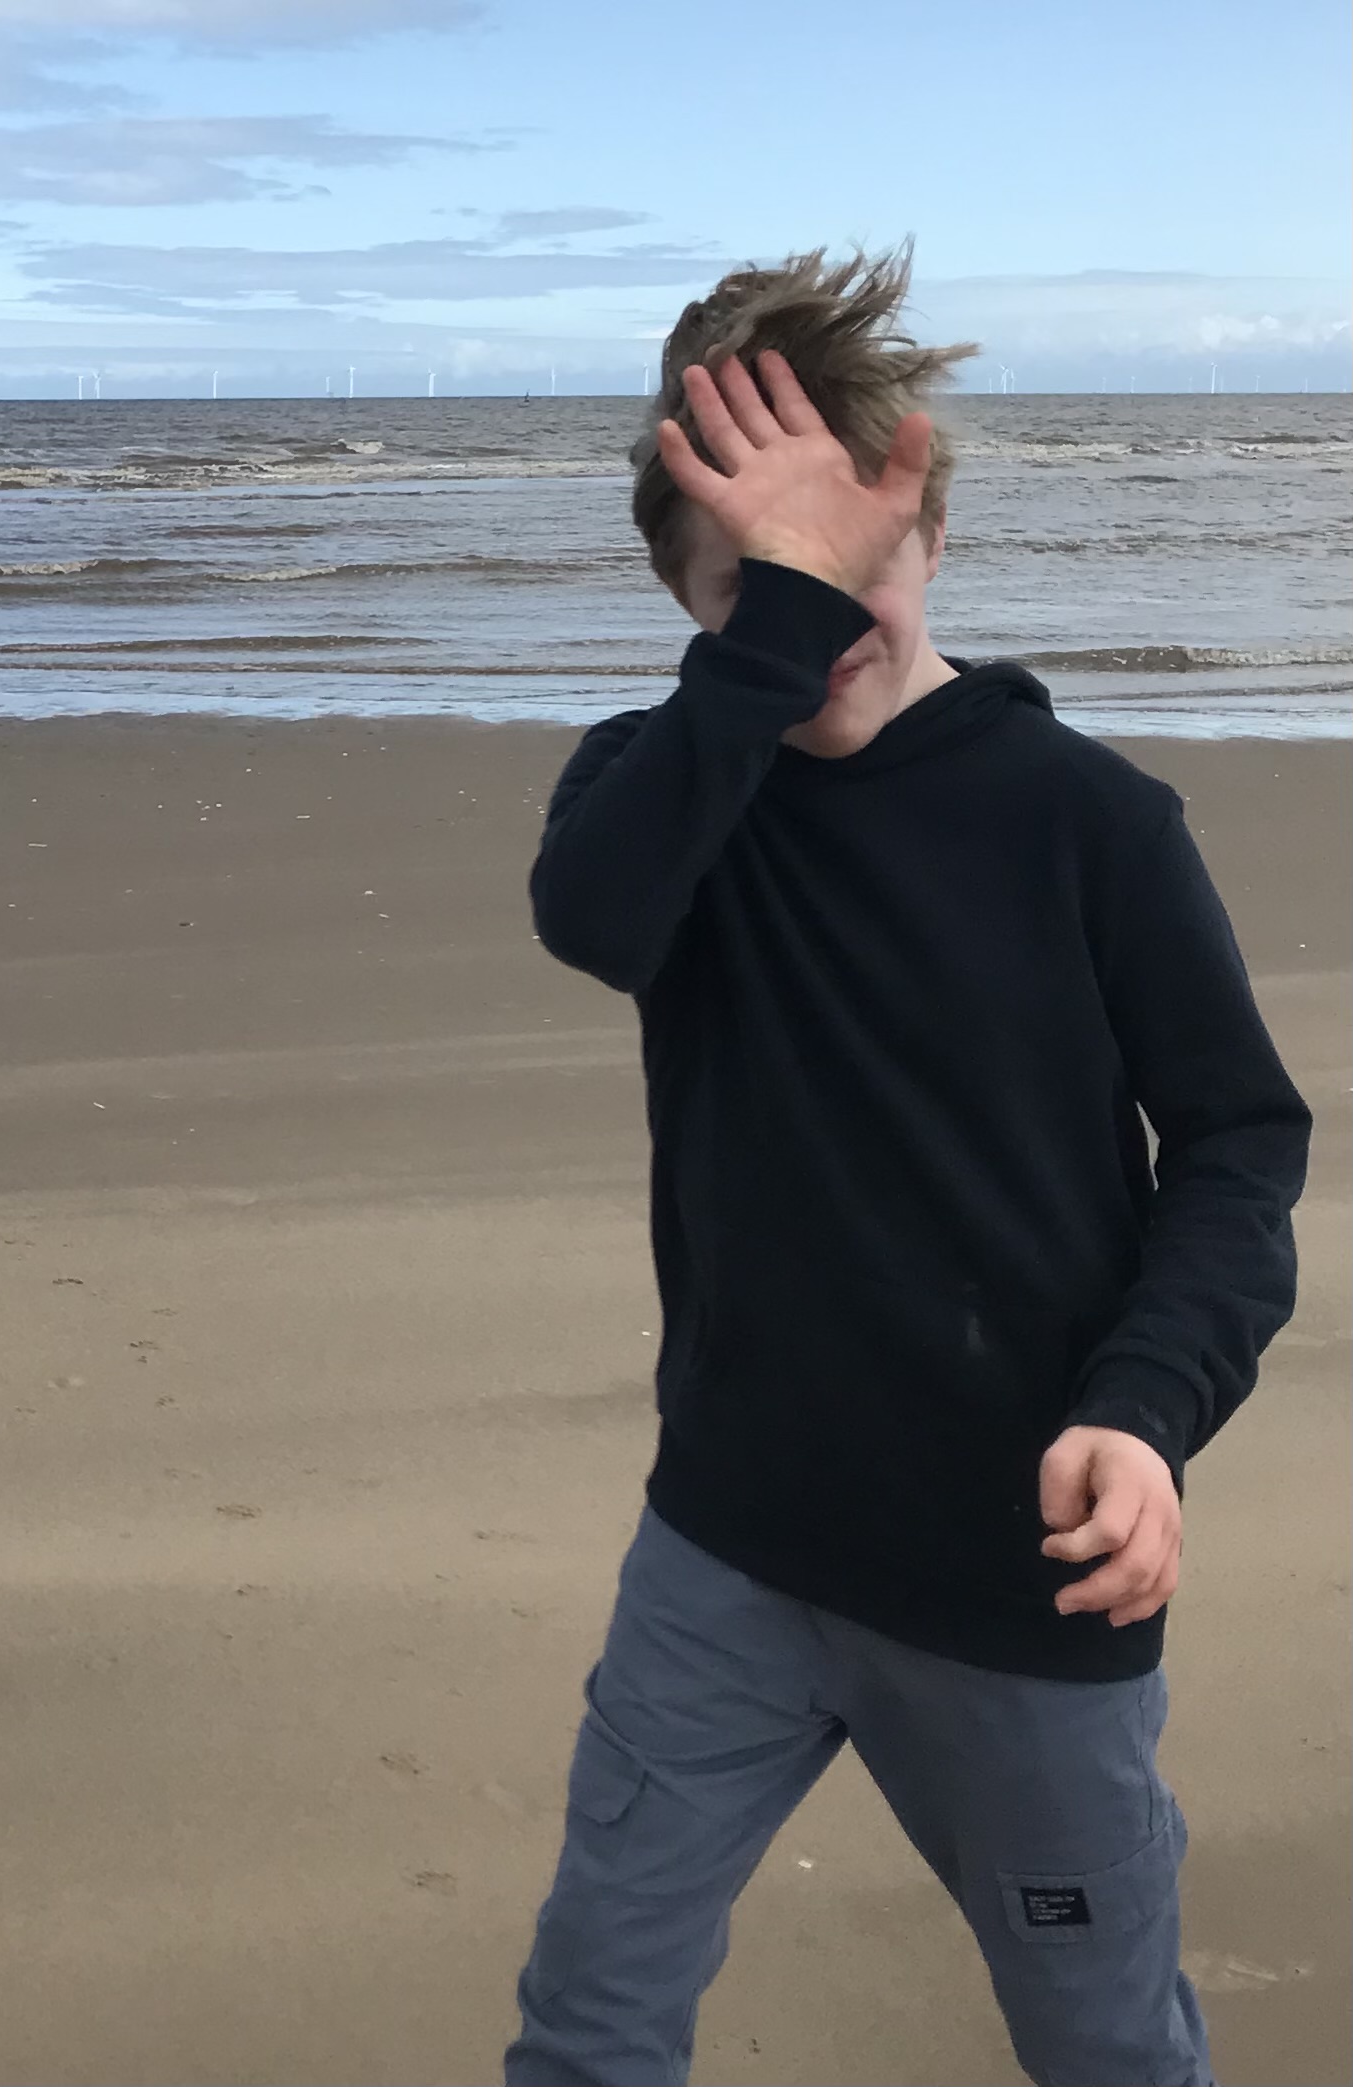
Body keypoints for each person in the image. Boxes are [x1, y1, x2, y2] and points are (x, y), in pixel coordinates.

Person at [503, 239, 1312, 2087]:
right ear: (697, 604)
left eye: (857, 574)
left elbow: (1242, 1145)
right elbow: (593, 916)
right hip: (725, 1550)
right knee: (592, 2021)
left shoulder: (1089, 822)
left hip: (1017, 1578)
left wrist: (1150, 1408)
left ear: (925, 525)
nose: (821, 635)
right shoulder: (661, 796)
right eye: (760, 600)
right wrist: (786, 588)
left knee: (1107, 2045)